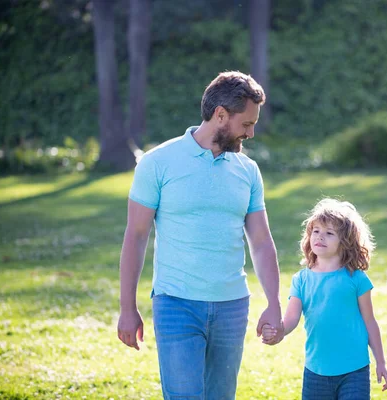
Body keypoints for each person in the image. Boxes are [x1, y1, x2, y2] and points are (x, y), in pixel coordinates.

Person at [117, 71, 284, 400]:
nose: (251, 133)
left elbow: (262, 243)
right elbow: (136, 236)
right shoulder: (157, 163)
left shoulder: (247, 171)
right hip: (176, 305)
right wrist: (127, 307)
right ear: (221, 114)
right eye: (246, 124)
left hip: (232, 308)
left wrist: (274, 303)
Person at [262, 198, 387, 399]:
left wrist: (381, 362)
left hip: (354, 369)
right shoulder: (301, 280)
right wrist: (278, 332)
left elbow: (370, 322)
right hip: (316, 371)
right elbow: (291, 319)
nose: (320, 237)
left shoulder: (356, 278)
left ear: (345, 242)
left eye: (329, 233)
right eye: (316, 231)